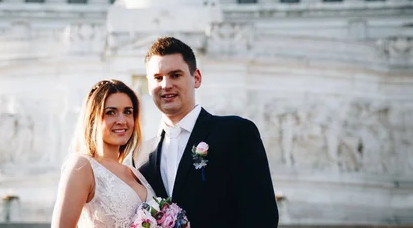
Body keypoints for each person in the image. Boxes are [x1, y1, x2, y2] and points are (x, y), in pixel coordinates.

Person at [136, 36, 279, 227]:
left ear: (196, 78)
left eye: (175, 75)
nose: (166, 85)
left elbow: (263, 216)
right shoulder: (140, 156)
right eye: (158, 78)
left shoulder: (236, 132)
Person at [51, 79, 156, 228]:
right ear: (93, 118)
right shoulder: (82, 166)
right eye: (111, 112)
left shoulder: (134, 171)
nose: (122, 120)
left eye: (127, 112)